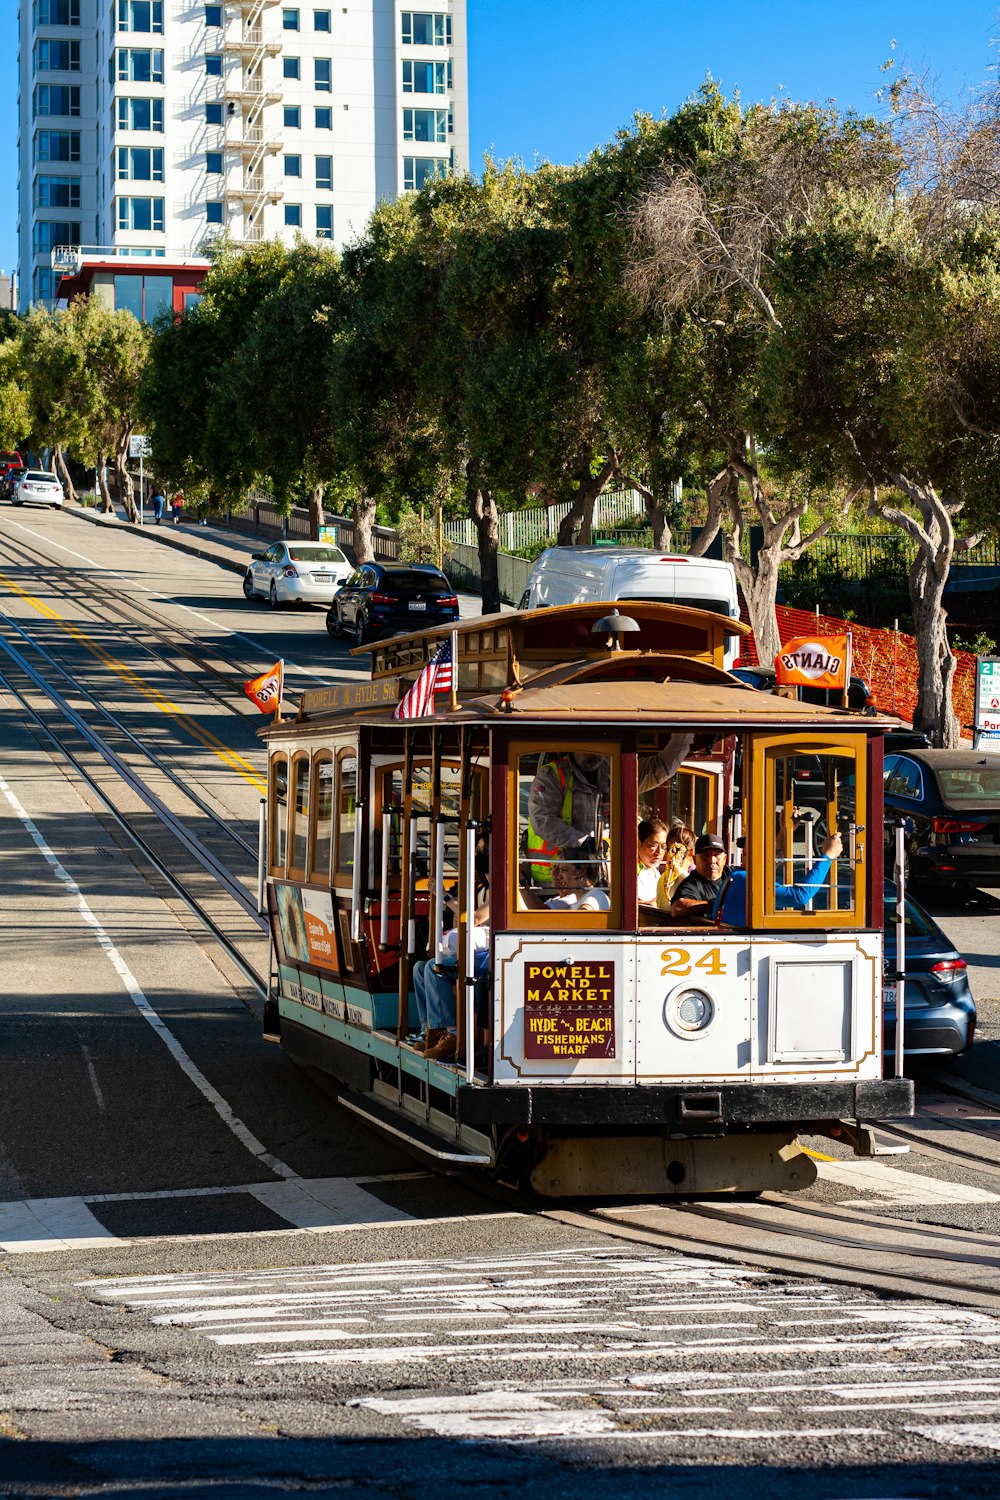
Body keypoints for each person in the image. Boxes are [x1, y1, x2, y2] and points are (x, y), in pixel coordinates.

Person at [526, 735, 692, 885]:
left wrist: (685, 730)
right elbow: (542, 820)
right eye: (586, 746)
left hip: (606, 878)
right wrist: (583, 842)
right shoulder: (553, 775)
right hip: (557, 880)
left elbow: (660, 767)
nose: (592, 752)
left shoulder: (618, 770)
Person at [713, 829, 844, 926]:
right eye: (770, 852)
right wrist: (828, 855)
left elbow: (775, 861)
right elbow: (799, 897)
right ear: (747, 853)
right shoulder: (746, 881)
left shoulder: (739, 875)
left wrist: (786, 830)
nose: (775, 857)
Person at [669, 833, 729, 922]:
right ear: (694, 860)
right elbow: (677, 908)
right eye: (705, 856)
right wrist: (716, 904)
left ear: (724, 859)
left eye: (716, 855)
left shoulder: (730, 873)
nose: (712, 861)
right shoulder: (692, 884)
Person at [520, 855, 611, 913]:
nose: (558, 876)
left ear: (581, 871)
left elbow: (580, 921)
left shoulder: (596, 895)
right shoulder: (577, 900)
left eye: (564, 870)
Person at [637, 818, 670, 904]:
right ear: (639, 843)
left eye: (663, 847)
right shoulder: (631, 872)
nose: (659, 852)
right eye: (653, 845)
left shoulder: (655, 872)